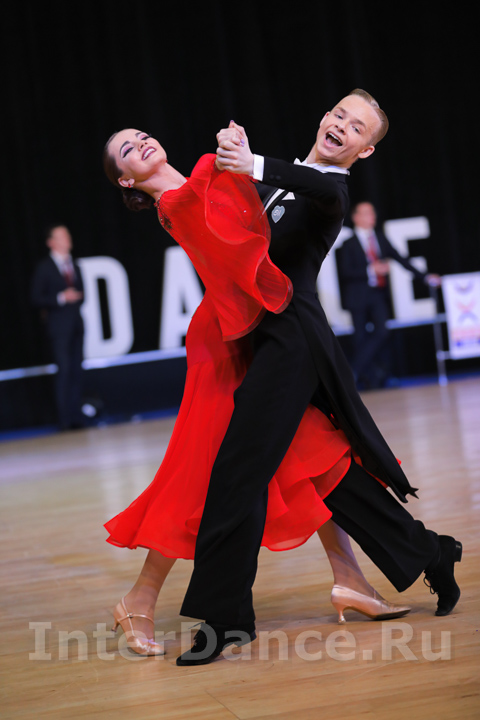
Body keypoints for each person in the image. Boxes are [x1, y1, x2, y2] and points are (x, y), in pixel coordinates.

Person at [176, 89, 461, 666]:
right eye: (340, 115)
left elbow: (315, 187)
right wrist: (236, 164)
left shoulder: (331, 191)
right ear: (324, 116)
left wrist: (251, 163)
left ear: (365, 150)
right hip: (266, 345)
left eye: (357, 128)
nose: (342, 127)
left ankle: (226, 620)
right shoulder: (280, 182)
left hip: (293, 349)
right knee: (328, 472)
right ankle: (429, 552)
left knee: (237, 473)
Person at [102, 125, 410, 656]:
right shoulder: (176, 202)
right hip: (229, 344)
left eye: (143, 135)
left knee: (310, 450)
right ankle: (139, 598)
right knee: (203, 474)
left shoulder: (204, 177)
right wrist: (232, 162)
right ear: (127, 180)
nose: (143, 143)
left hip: (260, 333)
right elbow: (235, 237)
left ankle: (350, 577)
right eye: (128, 150)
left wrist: (243, 161)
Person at [336, 201, 441, 388]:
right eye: (367, 213)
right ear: (356, 217)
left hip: (377, 294)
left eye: (372, 212)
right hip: (357, 297)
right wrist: (371, 269)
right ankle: (368, 378)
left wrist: (424, 277)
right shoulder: (348, 244)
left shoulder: (380, 238)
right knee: (359, 339)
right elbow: (345, 272)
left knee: (382, 332)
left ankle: (353, 372)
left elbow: (401, 259)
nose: (372, 216)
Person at [31, 224, 85, 430]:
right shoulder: (44, 268)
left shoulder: (74, 264)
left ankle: (77, 417)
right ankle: (64, 419)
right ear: (51, 242)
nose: (67, 239)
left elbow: (83, 294)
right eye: (62, 236)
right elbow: (36, 298)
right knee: (64, 370)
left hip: (76, 324)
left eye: (67, 235)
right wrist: (61, 297)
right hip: (58, 327)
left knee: (77, 370)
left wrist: (75, 297)